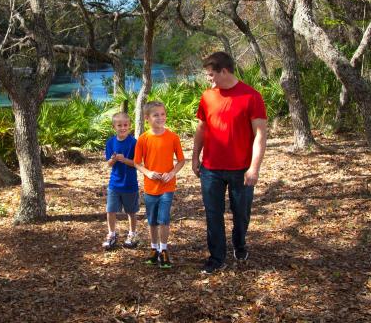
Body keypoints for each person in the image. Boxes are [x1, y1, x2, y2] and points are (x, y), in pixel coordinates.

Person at [192, 51, 267, 274]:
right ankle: (217, 257)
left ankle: (240, 243)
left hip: (241, 170)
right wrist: (195, 156)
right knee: (213, 214)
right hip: (211, 169)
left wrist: (254, 167)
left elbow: (260, 135)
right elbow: (202, 128)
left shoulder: (251, 96)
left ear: (224, 71)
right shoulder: (207, 96)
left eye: (211, 75)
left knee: (241, 213)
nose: (209, 79)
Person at [133, 101, 186, 269]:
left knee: (164, 220)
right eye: (156, 115)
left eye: (163, 114)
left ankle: (164, 249)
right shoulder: (143, 139)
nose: (160, 118)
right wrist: (148, 173)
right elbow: (137, 163)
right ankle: (154, 249)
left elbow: (181, 160)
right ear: (147, 118)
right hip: (150, 187)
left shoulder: (172, 137)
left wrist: (172, 173)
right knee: (152, 221)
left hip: (167, 187)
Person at [102, 112, 140, 250]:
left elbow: (137, 163)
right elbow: (108, 163)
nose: (123, 128)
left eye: (125, 125)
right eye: (119, 125)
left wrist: (125, 160)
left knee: (131, 211)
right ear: (114, 126)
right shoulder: (110, 142)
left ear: (129, 126)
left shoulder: (134, 142)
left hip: (130, 183)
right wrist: (112, 160)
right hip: (114, 183)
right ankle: (111, 234)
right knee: (110, 210)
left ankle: (132, 234)